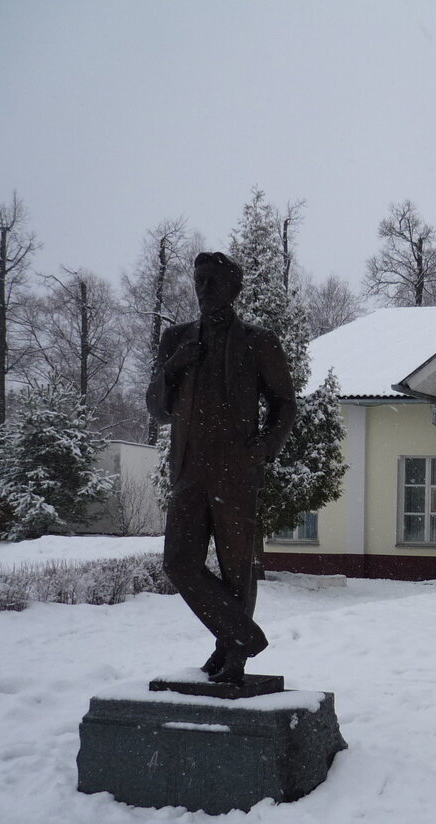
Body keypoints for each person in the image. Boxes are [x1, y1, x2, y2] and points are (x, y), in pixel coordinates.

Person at [146, 252, 296, 684]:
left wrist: (264, 448)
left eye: (214, 281)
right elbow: (157, 409)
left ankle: (233, 654)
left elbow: (284, 403)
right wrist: (175, 367)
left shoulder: (257, 340)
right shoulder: (176, 340)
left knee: (237, 565)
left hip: (237, 468)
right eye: (199, 281)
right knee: (178, 562)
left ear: (234, 289)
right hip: (189, 468)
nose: (204, 289)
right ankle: (242, 635)